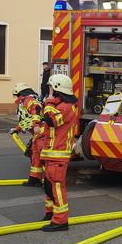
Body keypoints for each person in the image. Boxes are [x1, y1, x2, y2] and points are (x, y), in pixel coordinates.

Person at [39, 74, 78, 232]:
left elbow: (51, 120)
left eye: (51, 88)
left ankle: (61, 221)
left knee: (56, 187)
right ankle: (50, 214)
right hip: (50, 154)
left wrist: (48, 101)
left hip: (58, 155)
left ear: (57, 90)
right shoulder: (59, 105)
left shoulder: (66, 107)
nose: (49, 90)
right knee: (49, 186)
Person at [9, 82, 45, 187]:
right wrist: (17, 129)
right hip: (38, 133)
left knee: (45, 158)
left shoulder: (27, 99)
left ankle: (49, 183)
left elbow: (36, 109)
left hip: (42, 131)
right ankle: (35, 179)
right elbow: (26, 120)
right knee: (35, 155)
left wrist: (37, 125)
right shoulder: (27, 100)